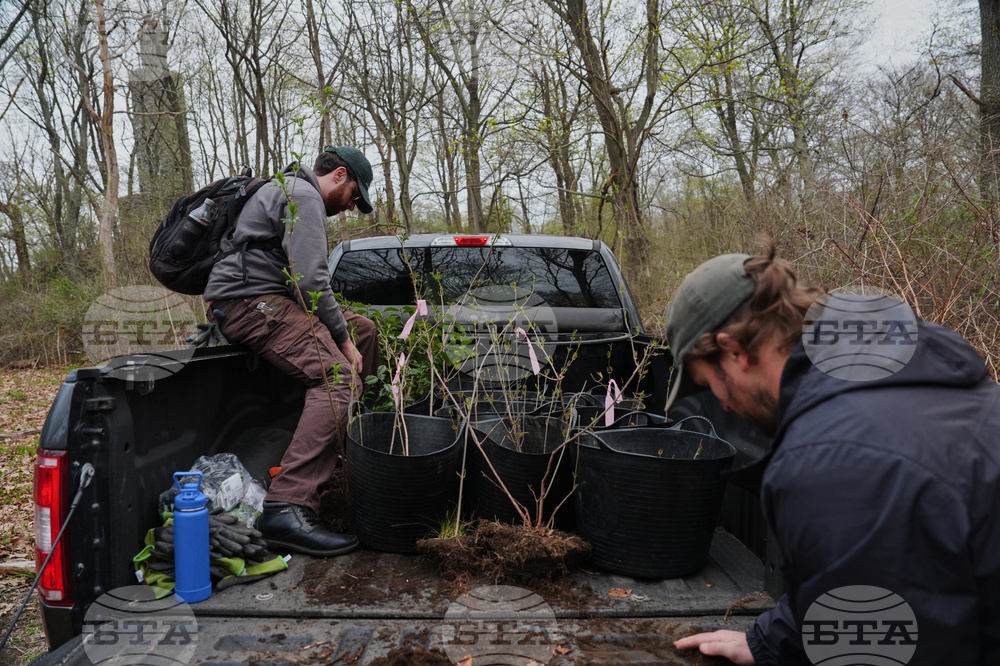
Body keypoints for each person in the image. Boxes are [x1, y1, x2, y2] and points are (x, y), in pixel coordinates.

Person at [665, 244, 1000, 664]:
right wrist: (770, 642)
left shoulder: (835, 462)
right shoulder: (898, 377)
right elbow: (876, 582)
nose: (723, 404)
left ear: (734, 350)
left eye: (708, 382)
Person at [204, 146, 380, 557]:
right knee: (338, 378)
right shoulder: (302, 195)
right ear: (339, 175)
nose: (353, 206)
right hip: (249, 303)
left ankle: (345, 453)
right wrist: (341, 341)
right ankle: (288, 506)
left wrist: (351, 336)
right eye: (355, 195)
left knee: (365, 330)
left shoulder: (290, 190)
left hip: (262, 300)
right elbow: (312, 282)